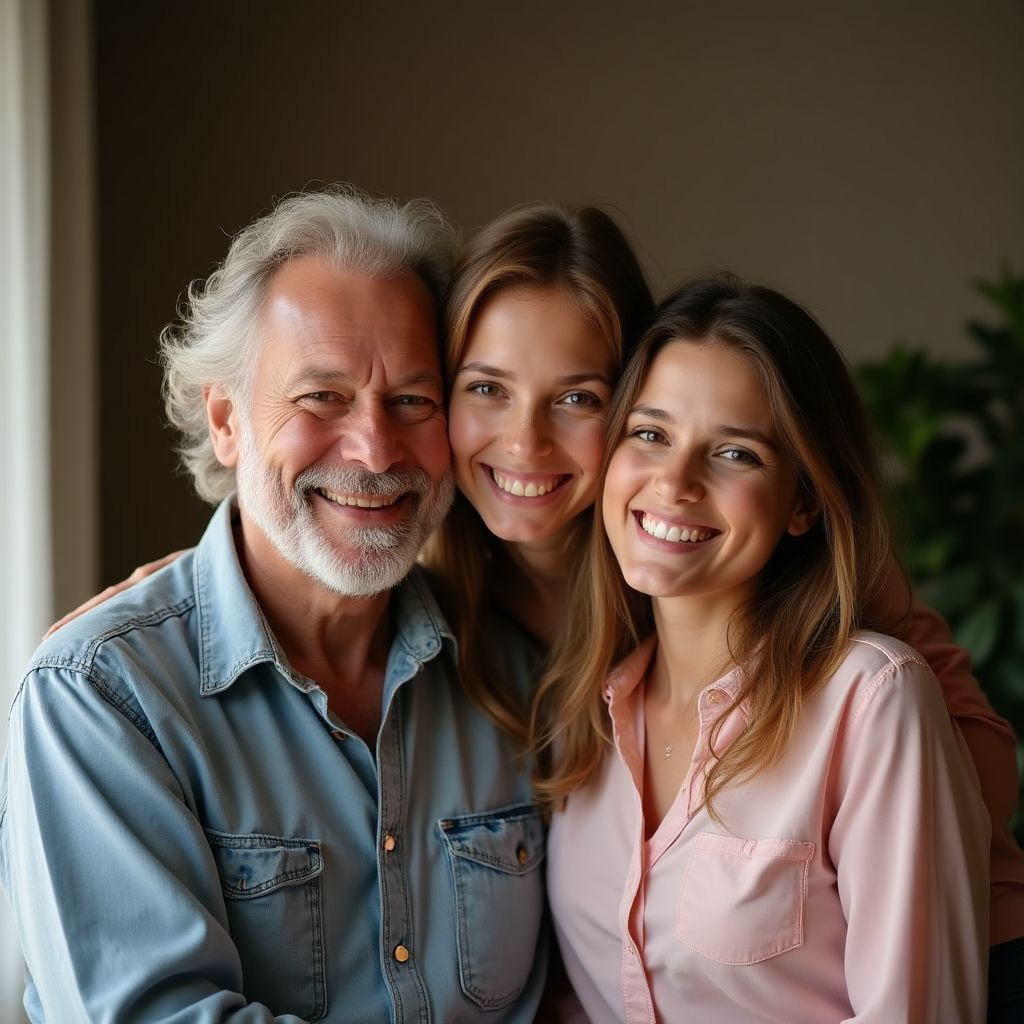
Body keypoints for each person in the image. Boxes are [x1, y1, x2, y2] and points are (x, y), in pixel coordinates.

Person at [42, 200, 1024, 1014]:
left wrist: (868, 795)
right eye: (481, 390)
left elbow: (961, 767)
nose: (522, 445)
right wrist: (142, 623)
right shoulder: (450, 571)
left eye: (579, 398)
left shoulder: (757, 573)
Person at [0, 187, 550, 1022]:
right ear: (226, 421)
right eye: (321, 398)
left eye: (412, 401)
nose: (374, 449)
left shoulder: (517, 673)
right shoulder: (102, 695)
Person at [533, 275, 994, 1021]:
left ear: (804, 502)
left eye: (736, 454)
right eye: (649, 434)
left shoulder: (871, 701)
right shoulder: (578, 710)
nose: (675, 482)